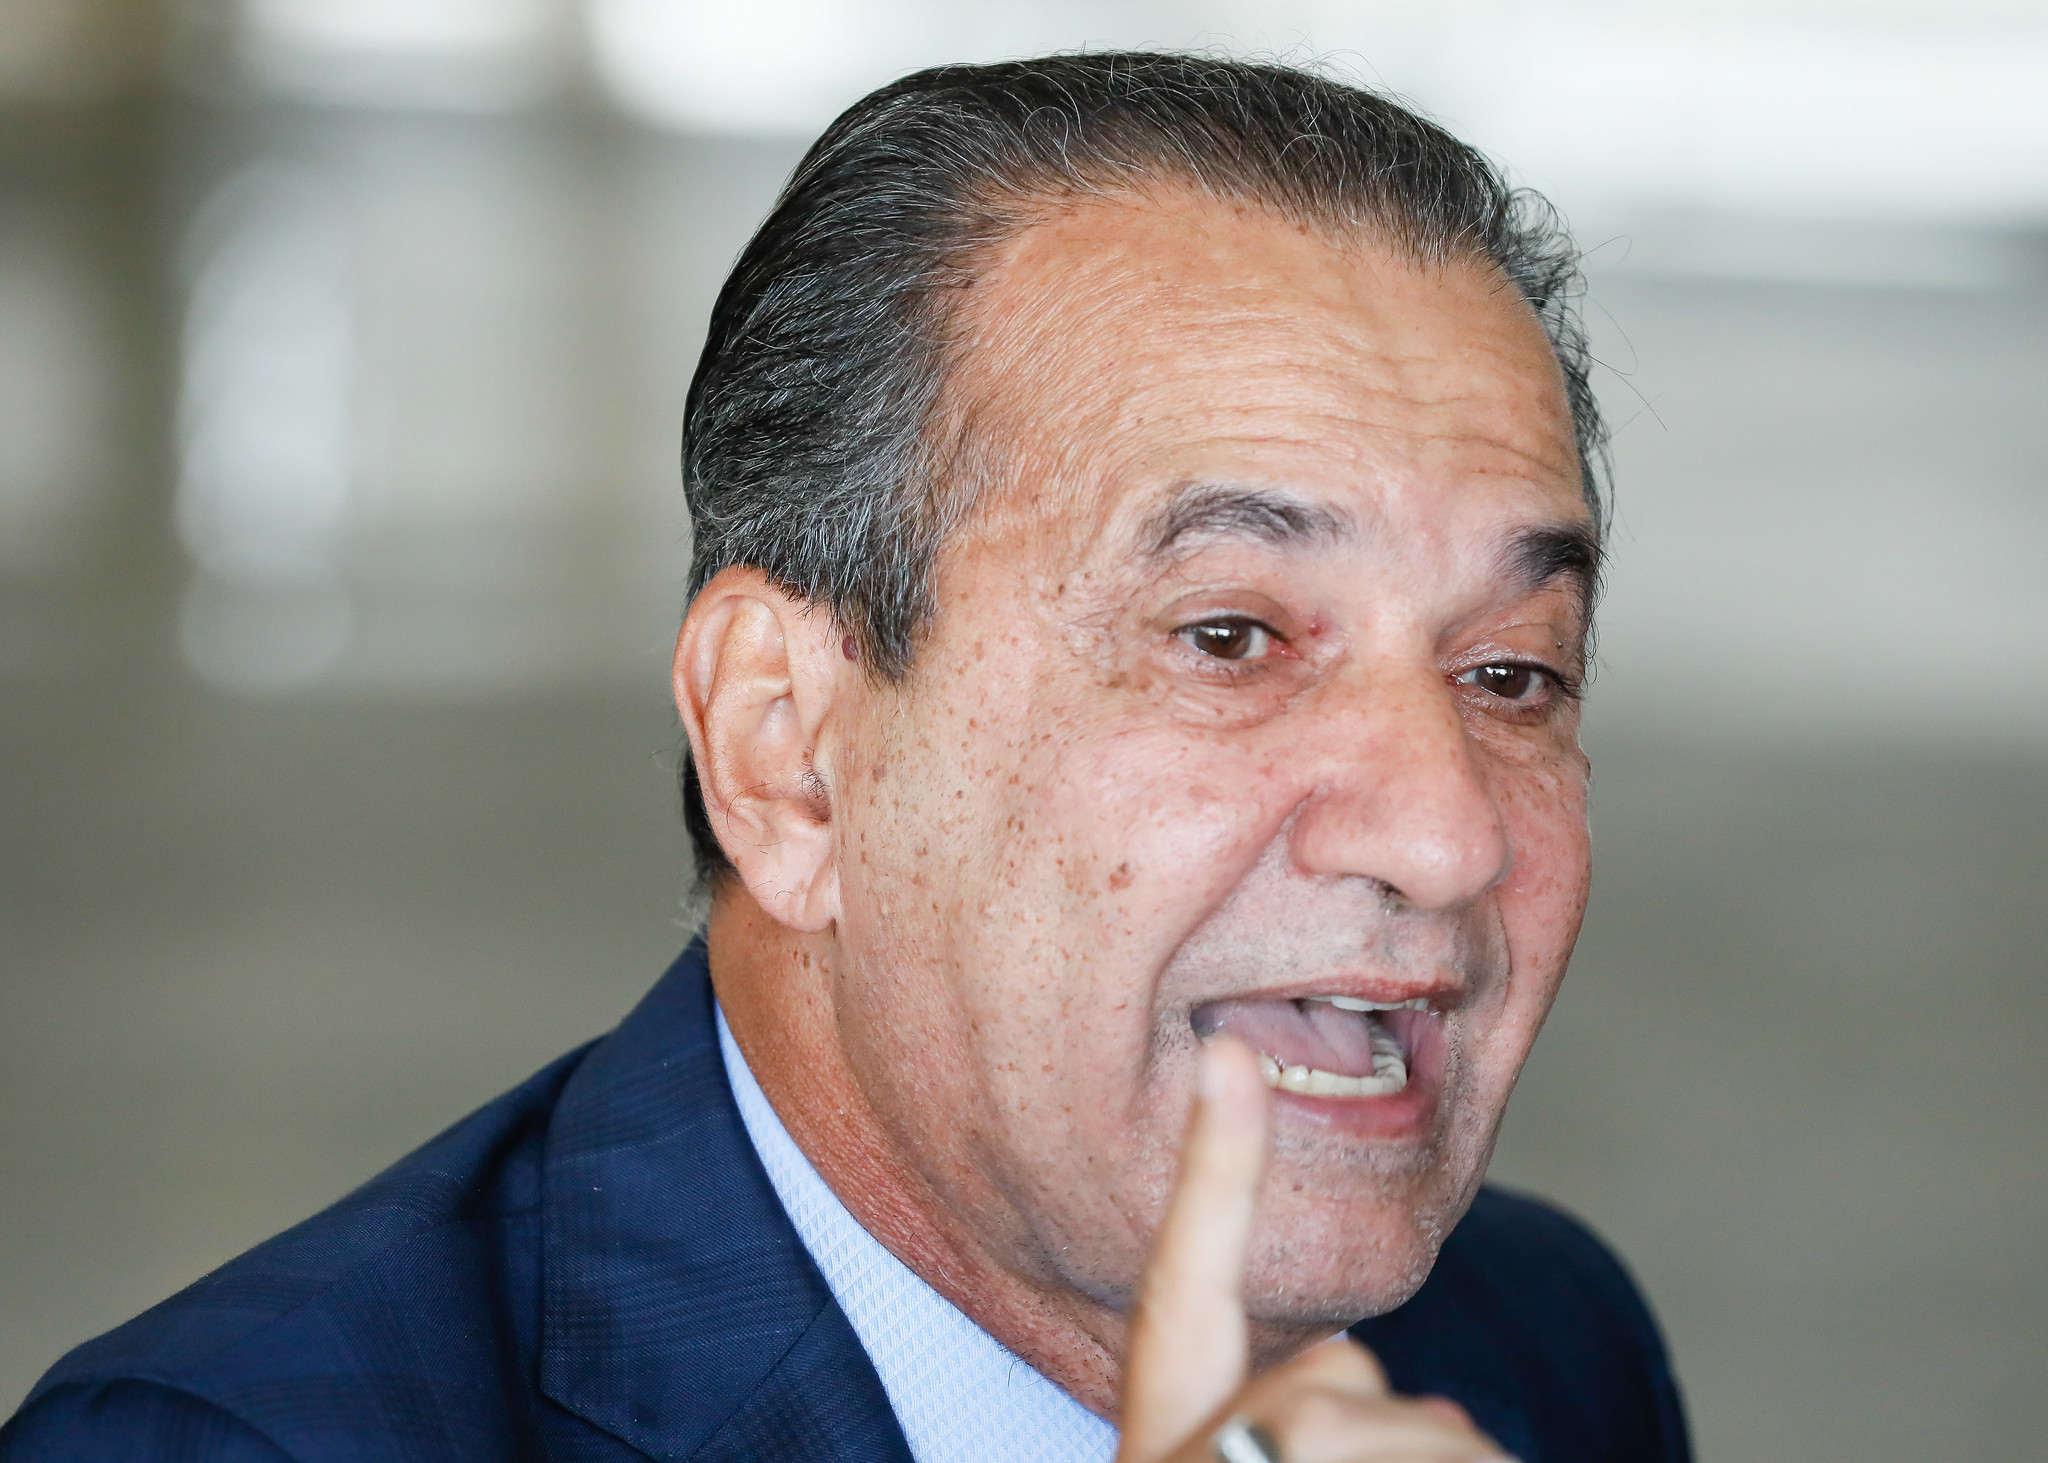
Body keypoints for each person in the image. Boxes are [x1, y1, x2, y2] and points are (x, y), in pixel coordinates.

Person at [1, 53, 1691, 1463]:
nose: (1445, 832)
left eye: (1513, 672)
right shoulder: (242, 1446)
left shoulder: (1535, 1343)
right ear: (790, 755)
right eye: (1231, 638)